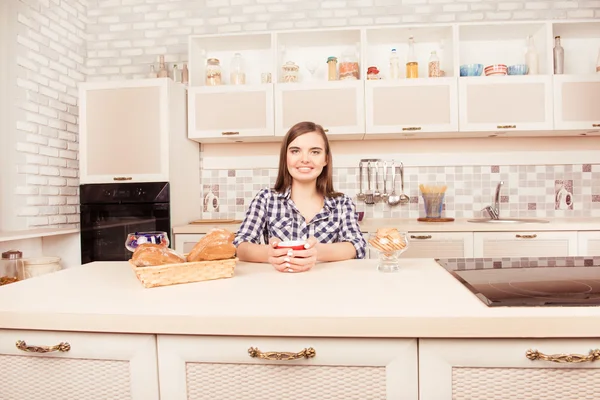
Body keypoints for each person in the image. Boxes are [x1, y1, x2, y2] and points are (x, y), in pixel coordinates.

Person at [233, 121, 367, 273]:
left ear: (326, 159)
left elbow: (356, 245)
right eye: (295, 151)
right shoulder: (266, 199)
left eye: (315, 152)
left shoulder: (342, 203)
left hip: (328, 286)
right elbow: (240, 245)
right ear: (285, 157)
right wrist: (269, 254)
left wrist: (317, 252)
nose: (305, 159)